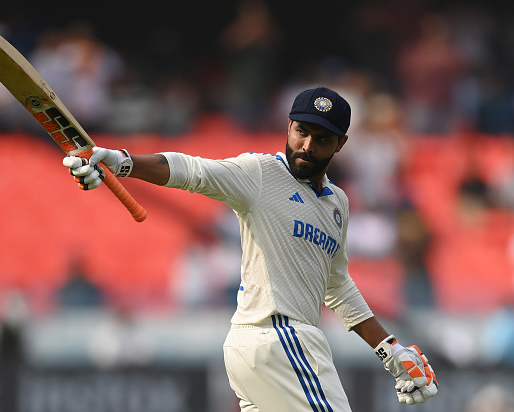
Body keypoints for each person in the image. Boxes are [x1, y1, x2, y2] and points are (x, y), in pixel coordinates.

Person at [62, 87, 438, 411]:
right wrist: (121, 161)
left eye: (321, 139)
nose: (306, 146)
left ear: (340, 144)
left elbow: (337, 287)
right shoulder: (260, 174)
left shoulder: (338, 204)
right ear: (289, 126)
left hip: (258, 349)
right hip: (280, 337)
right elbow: (192, 171)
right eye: (301, 131)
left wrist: (389, 349)